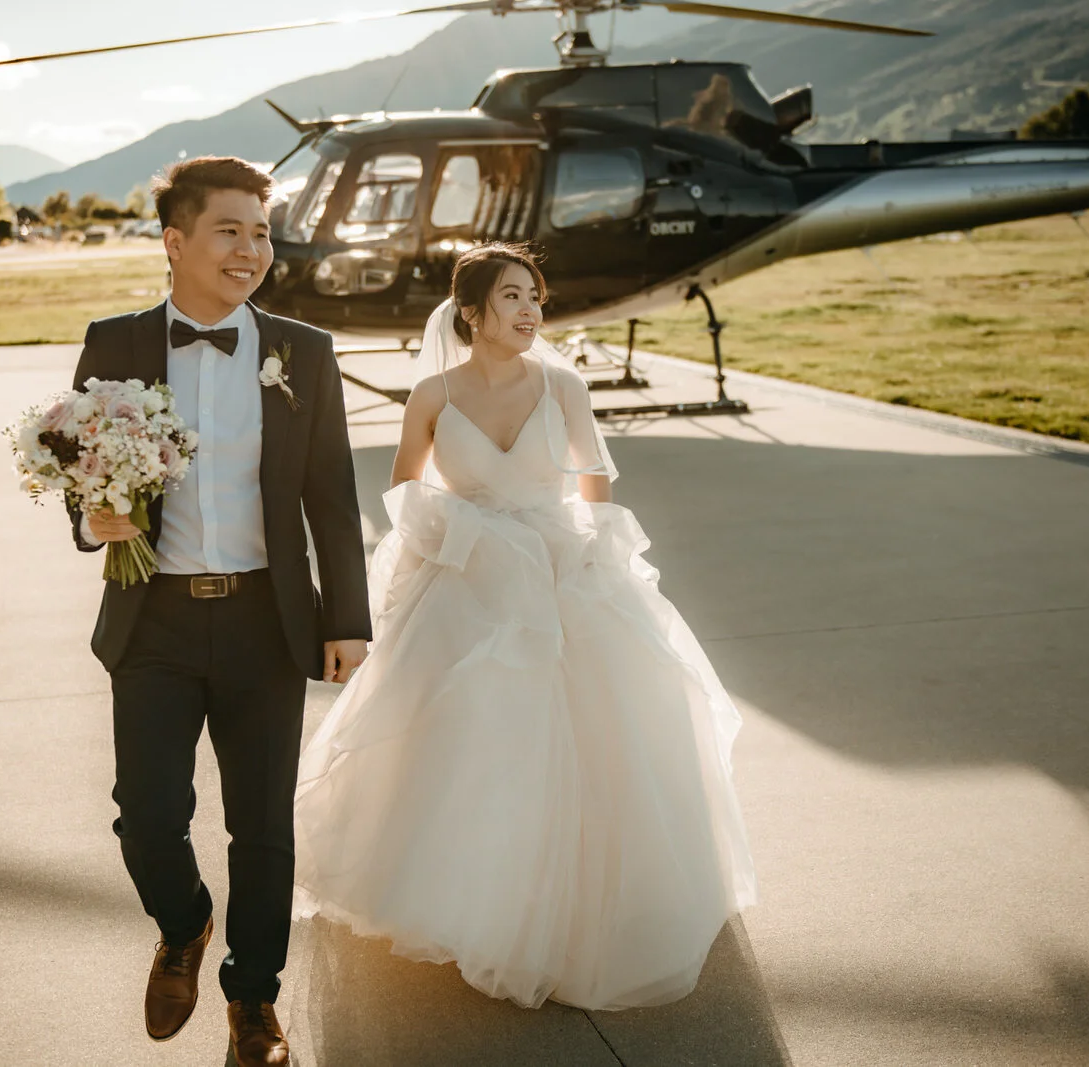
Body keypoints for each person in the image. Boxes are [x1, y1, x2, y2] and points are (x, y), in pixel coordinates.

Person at [293, 243, 757, 1011]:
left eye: (536, 295)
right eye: (512, 296)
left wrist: (587, 559)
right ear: (470, 312)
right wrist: (470, 532)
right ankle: (470, 898)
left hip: (562, 568)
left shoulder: (565, 383)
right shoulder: (433, 395)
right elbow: (407, 487)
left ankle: (597, 907)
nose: (531, 310)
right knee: (471, 736)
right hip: (472, 573)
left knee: (610, 732)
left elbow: (594, 483)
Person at [70, 155, 370, 1066]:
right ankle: (186, 920)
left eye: (261, 232)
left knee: (262, 823)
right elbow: (78, 467)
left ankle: (254, 1001)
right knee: (148, 815)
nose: (251, 250)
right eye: (229, 230)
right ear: (175, 241)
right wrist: (92, 516)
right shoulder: (112, 341)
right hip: (151, 618)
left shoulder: (303, 353)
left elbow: (331, 493)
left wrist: (345, 616)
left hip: (265, 622)